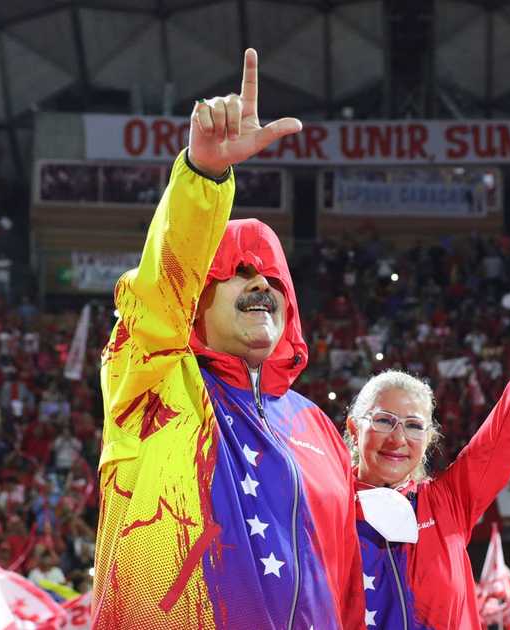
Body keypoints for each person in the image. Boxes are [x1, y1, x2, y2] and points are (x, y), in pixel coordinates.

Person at [92, 48, 365, 628]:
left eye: (273, 277)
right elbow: (158, 294)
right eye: (238, 272)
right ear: (195, 300)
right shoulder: (156, 384)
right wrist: (205, 176)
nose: (261, 283)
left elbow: (344, 584)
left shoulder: (318, 426)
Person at [344, 238, 510, 628]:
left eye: (414, 426)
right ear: (354, 426)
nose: (398, 438)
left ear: (429, 440)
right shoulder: (326, 508)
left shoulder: (449, 502)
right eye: (384, 420)